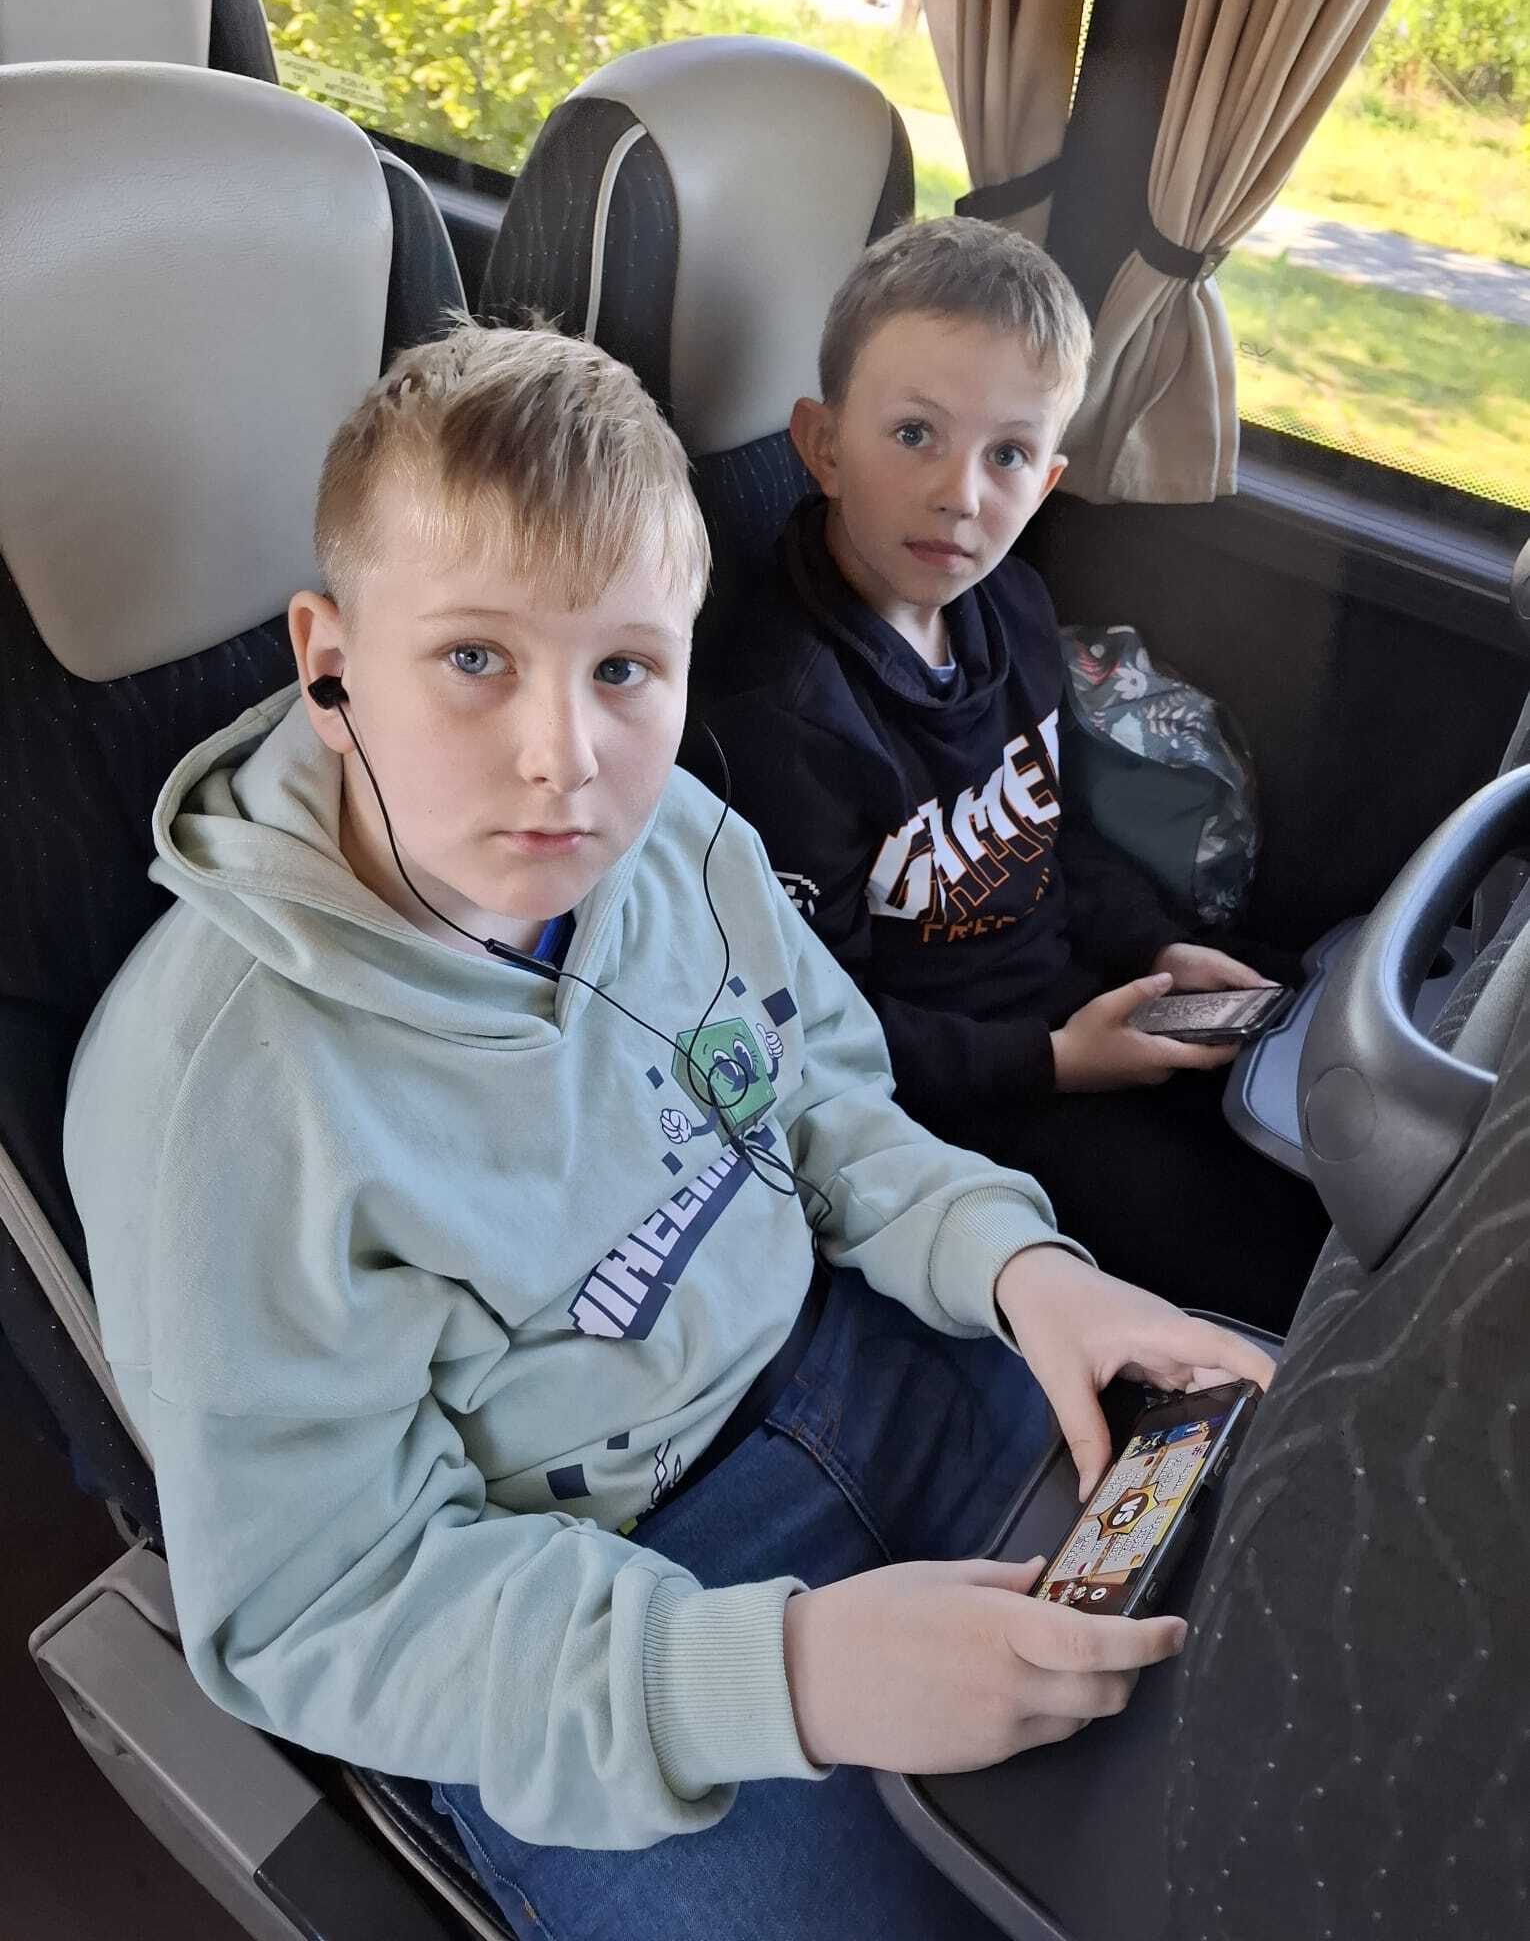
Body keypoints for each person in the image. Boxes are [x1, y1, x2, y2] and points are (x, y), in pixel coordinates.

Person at [64, 323, 1272, 1940]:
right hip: (581, 1605)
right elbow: (325, 1600)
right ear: (329, 661)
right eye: (475, 659)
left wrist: (1014, 1268)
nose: (563, 759)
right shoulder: (218, 1104)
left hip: (866, 1360)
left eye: (623, 669)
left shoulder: (679, 836)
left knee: (1253, 1677)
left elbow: (820, 1101)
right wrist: (783, 1673)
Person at [694, 218, 1328, 1329]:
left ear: (1048, 481)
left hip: (1070, 1000)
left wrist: (1153, 948)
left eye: (1007, 456)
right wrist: (1054, 1063)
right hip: (949, 1104)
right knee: (1263, 1250)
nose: (961, 494)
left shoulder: (1011, 609)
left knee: (1314, 1041)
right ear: (823, 446)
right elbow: (818, 1027)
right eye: (914, 435)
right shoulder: (786, 719)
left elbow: (1047, 835)